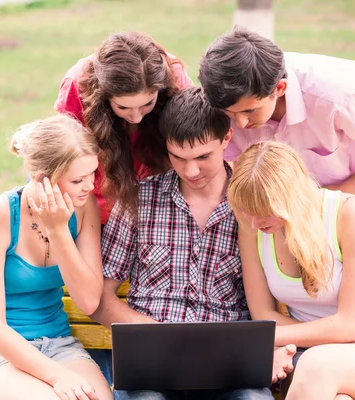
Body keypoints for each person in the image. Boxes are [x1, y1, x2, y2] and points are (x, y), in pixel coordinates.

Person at [91, 87, 294, 400]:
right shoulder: (139, 199)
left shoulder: (253, 206)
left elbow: (271, 303)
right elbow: (101, 297)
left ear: (226, 139)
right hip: (151, 369)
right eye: (178, 157)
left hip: (231, 369)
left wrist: (275, 348)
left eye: (203, 157)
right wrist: (150, 332)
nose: (191, 170)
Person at [198, 28, 355, 264]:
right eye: (230, 113)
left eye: (249, 110)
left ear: (279, 89)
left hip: (350, 233)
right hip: (276, 239)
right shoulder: (221, 96)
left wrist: (346, 191)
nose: (241, 123)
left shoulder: (340, 93)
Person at [227, 140, 355, 400]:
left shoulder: (348, 214)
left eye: (264, 211)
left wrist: (343, 336)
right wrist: (338, 337)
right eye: (246, 211)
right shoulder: (253, 227)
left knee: (317, 366)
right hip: (310, 355)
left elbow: (348, 325)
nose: (253, 221)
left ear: (291, 198)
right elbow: (264, 314)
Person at [0, 115, 113, 400]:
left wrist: (58, 231)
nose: (90, 186)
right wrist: (58, 377)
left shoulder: (83, 205)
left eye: (92, 173)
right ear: (43, 179)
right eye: (78, 179)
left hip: (58, 343)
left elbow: (89, 299)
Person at [55, 31, 194, 225]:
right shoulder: (77, 84)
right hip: (94, 208)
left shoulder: (174, 76)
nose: (136, 117)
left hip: (159, 207)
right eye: (123, 107)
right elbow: (68, 158)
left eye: (147, 103)